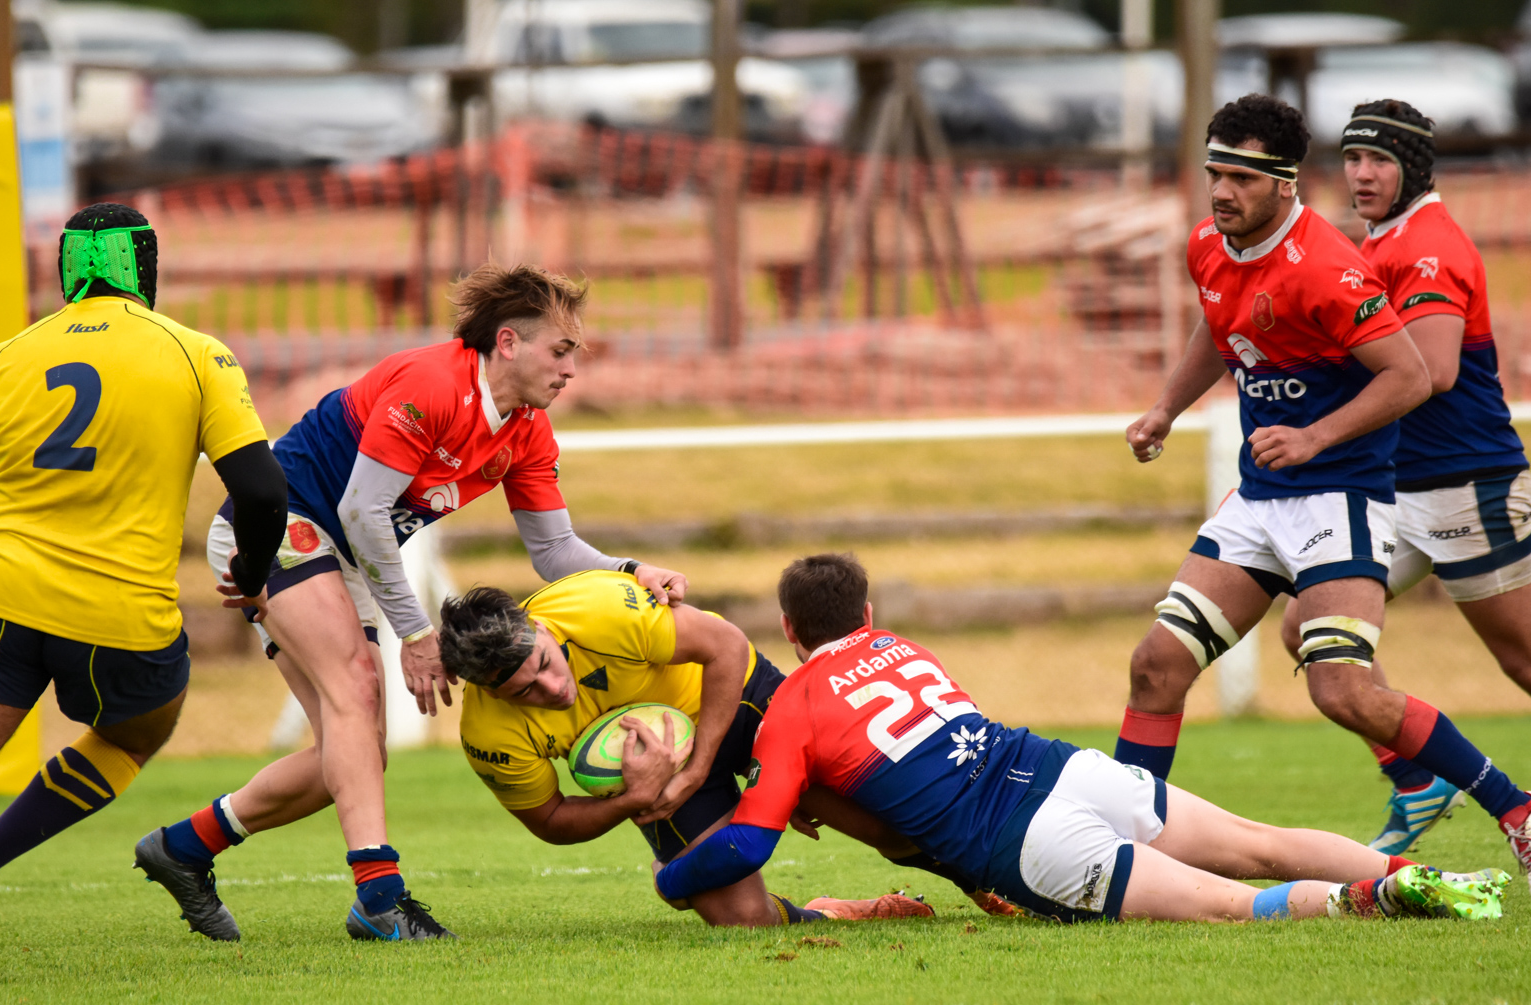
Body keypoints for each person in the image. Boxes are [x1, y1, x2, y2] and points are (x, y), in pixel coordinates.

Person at [135, 264, 688, 943]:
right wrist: (416, 632)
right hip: (284, 522)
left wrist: (633, 569)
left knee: (356, 750)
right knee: (357, 689)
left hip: (348, 552)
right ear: (509, 342)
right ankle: (381, 900)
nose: (572, 369)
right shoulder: (433, 385)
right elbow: (361, 511)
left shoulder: (526, 429)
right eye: (562, 350)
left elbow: (554, 552)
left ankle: (184, 847)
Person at [1116, 94, 1531, 881]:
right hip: (1260, 496)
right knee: (1154, 667)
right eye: (1214, 173)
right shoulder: (1209, 244)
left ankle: (1514, 807)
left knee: (1342, 689)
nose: (1220, 191)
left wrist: (1312, 436)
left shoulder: (1331, 267)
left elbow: (1413, 374)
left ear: (1283, 185)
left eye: (1239, 177)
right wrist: (1167, 407)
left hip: (1342, 500)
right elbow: (1218, 319)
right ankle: (1124, 847)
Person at [653, 554, 1510, 924]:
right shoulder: (903, 649)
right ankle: (1425, 876)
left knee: (1230, 905)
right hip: (1065, 766)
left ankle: (1375, 903)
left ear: (793, 630)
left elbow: (747, 841)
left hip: (1029, 843)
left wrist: (672, 873)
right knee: (1262, 842)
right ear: (867, 616)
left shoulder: (796, 699)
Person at [0, 204, 288, 984]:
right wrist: (253, 578)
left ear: (67, 272)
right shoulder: (195, 355)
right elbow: (262, 493)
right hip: (122, 615)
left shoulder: (3, 357)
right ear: (145, 271)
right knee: (132, 737)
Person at [1271, 101, 1531, 855]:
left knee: (1521, 661)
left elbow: (1433, 370)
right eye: (1351, 160)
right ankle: (1417, 776)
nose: (1360, 175)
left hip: (1465, 482)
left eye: (1378, 161)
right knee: (1307, 628)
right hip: (1402, 490)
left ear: (1414, 167)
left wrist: (1321, 410)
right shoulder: (1381, 241)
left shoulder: (1427, 248)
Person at [441, 571, 934, 927]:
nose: (552, 689)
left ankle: (985, 881)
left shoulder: (597, 608)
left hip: (731, 695)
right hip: (659, 782)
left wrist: (699, 768)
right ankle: (829, 913)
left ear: (541, 628)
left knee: (880, 820)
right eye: (524, 691)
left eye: (545, 664)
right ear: (488, 689)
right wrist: (634, 800)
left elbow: (728, 646)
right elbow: (549, 821)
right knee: (744, 919)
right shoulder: (488, 734)